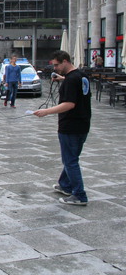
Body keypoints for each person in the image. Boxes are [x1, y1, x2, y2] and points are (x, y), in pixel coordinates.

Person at [34, 50, 91, 206]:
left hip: (70, 125)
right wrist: (62, 79)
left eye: (57, 65)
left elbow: (69, 104)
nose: (55, 68)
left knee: (70, 160)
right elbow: (74, 82)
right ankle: (65, 185)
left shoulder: (71, 81)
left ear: (65, 61)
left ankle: (79, 194)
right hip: (83, 124)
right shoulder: (81, 76)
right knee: (72, 157)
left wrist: (46, 111)